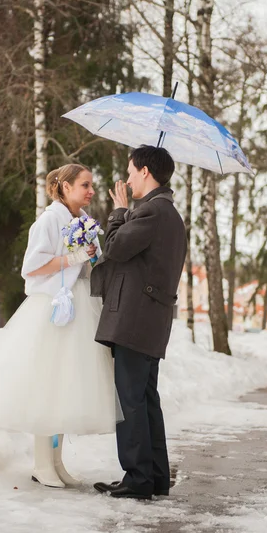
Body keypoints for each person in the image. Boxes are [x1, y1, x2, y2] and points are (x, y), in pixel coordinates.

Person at [0, 164, 119, 488]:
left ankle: (56, 461)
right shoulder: (49, 220)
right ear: (65, 187)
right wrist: (74, 257)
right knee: (48, 386)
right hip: (52, 311)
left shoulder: (80, 222)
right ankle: (41, 463)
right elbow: (32, 267)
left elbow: (83, 267)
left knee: (64, 387)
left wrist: (91, 258)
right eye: (84, 185)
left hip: (77, 309)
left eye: (91, 185)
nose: (91, 191)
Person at [91, 145, 187, 500]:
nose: (127, 178)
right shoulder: (169, 214)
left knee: (130, 401)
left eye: (131, 170)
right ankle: (155, 477)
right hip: (151, 321)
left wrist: (118, 212)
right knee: (145, 400)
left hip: (134, 319)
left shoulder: (152, 212)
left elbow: (114, 248)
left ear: (146, 171)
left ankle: (137, 478)